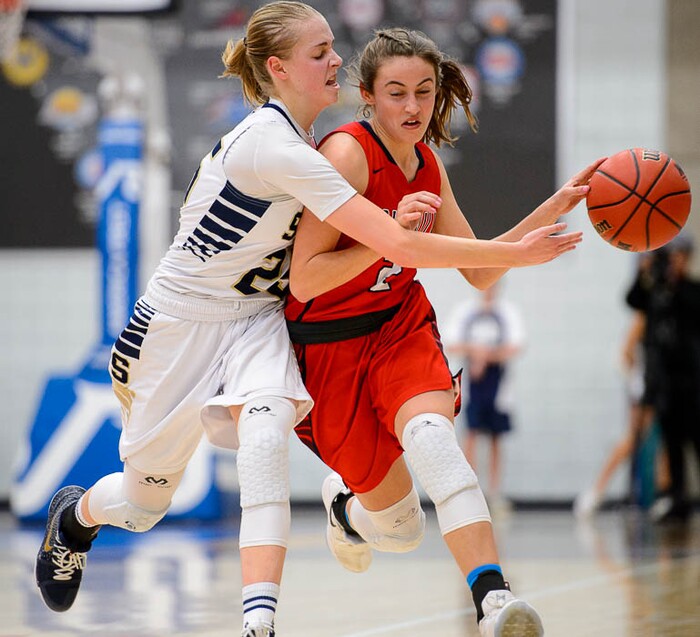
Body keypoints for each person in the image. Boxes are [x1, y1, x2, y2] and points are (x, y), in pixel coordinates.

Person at [33, 4, 597, 637]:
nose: (336, 58)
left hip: (267, 319)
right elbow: (387, 251)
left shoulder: (322, 144)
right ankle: (77, 517)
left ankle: (266, 621)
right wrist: (506, 251)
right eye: (321, 51)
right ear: (279, 68)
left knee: (288, 437)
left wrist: (544, 216)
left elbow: (456, 266)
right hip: (183, 324)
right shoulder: (294, 150)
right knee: (142, 504)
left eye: (334, 48)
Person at [284, 27, 601, 637]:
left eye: (424, 93)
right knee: (401, 532)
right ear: (368, 97)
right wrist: (386, 234)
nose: (412, 107)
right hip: (330, 349)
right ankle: (347, 507)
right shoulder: (347, 155)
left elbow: (480, 268)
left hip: (399, 326)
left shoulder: (426, 162)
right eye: (396, 93)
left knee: (433, 436)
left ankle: (494, 599)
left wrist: (555, 205)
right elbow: (305, 280)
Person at [574, 255, 669, 518]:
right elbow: (626, 353)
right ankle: (596, 491)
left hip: (667, 384)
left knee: (665, 443)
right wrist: (638, 383)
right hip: (646, 387)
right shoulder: (644, 314)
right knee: (632, 440)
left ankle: (665, 495)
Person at [625, 234, 700, 524]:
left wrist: (672, 283)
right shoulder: (654, 290)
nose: (675, 262)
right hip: (664, 382)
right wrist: (645, 272)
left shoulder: (691, 290)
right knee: (672, 443)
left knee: (696, 440)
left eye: (680, 256)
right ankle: (677, 500)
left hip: (692, 382)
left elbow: (688, 308)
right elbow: (632, 299)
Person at [445, 282, 525, 511]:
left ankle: (494, 492)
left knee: (495, 438)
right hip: (473, 385)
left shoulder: (508, 312)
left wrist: (486, 356)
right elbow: (452, 345)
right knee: (470, 434)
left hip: (498, 386)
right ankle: (471, 492)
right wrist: (475, 353)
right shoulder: (465, 312)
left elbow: (516, 346)